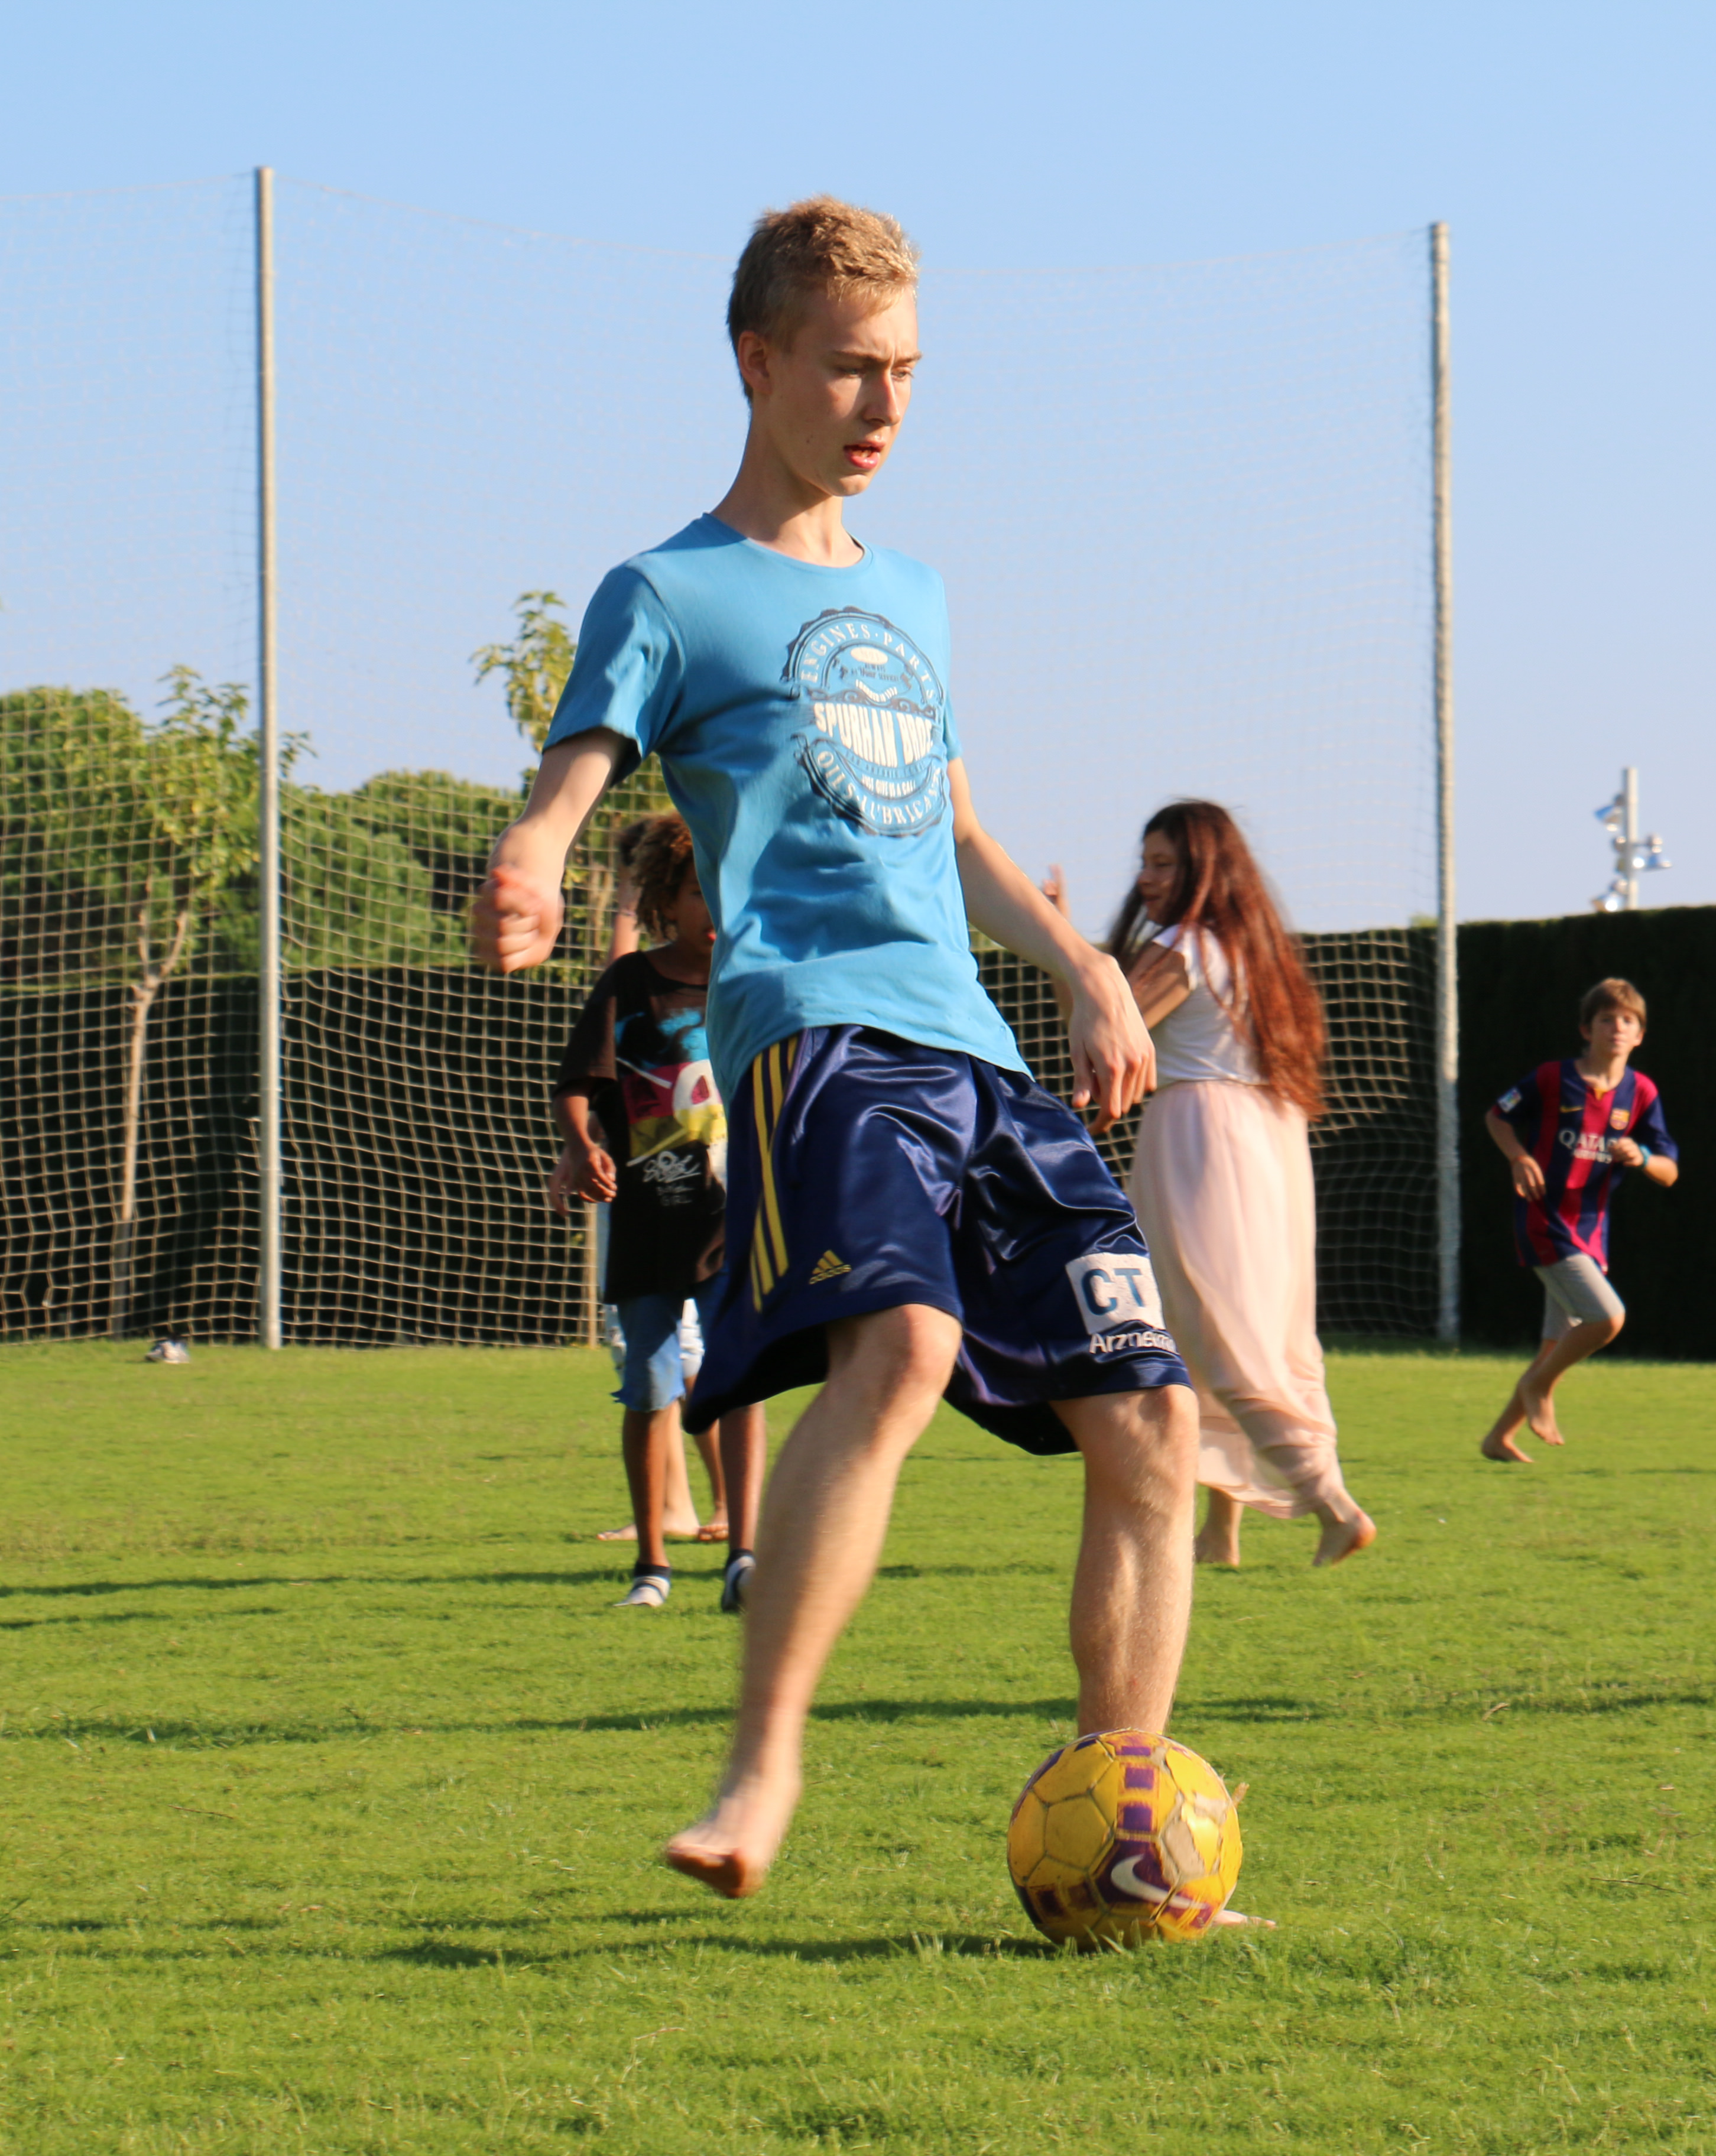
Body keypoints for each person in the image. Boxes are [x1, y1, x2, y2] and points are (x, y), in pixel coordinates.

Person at [470, 196, 1209, 1906]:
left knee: (1152, 1429)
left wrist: (1087, 970)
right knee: (902, 1348)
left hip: (977, 1053)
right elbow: (577, 771)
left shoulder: (917, 598)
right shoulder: (668, 591)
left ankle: (1126, 1831)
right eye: (849, 369)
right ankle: (759, 1771)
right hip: (817, 1036)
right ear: (757, 361)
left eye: (908, 373)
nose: (884, 407)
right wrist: (534, 856)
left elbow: (954, 831)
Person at [1071, 801, 1374, 1568]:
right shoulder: (1252, 951)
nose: (1147, 877)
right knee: (1239, 1324)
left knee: (1214, 1330)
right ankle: (1221, 1532)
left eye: (1165, 863)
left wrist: (1061, 946)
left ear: (1205, 870)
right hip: (1268, 1136)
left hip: (1201, 1140)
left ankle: (1333, 1505)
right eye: (1145, 862)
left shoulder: (1181, 947)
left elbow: (1114, 1027)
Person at [549, 812, 768, 1610]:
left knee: (741, 1383)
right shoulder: (630, 985)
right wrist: (580, 1146)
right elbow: (578, 1084)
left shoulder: (759, 983)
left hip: (734, 1225)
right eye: (697, 890)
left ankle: (745, 1556)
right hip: (647, 1223)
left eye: (724, 887)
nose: (714, 904)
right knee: (648, 1386)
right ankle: (652, 1566)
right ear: (665, 901)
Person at [1476, 978, 1680, 1466]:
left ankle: (1499, 1438)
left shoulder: (1642, 1092)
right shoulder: (1552, 1078)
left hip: (1591, 1231)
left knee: (1558, 1343)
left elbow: (1670, 1172)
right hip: (1544, 1220)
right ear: (1586, 1030)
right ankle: (1537, 1386)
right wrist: (1518, 1157)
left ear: (1640, 1035)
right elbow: (1498, 1116)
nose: (1617, 1028)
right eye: (1607, 1019)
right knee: (1608, 1318)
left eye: (1628, 1021)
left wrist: (1642, 1156)